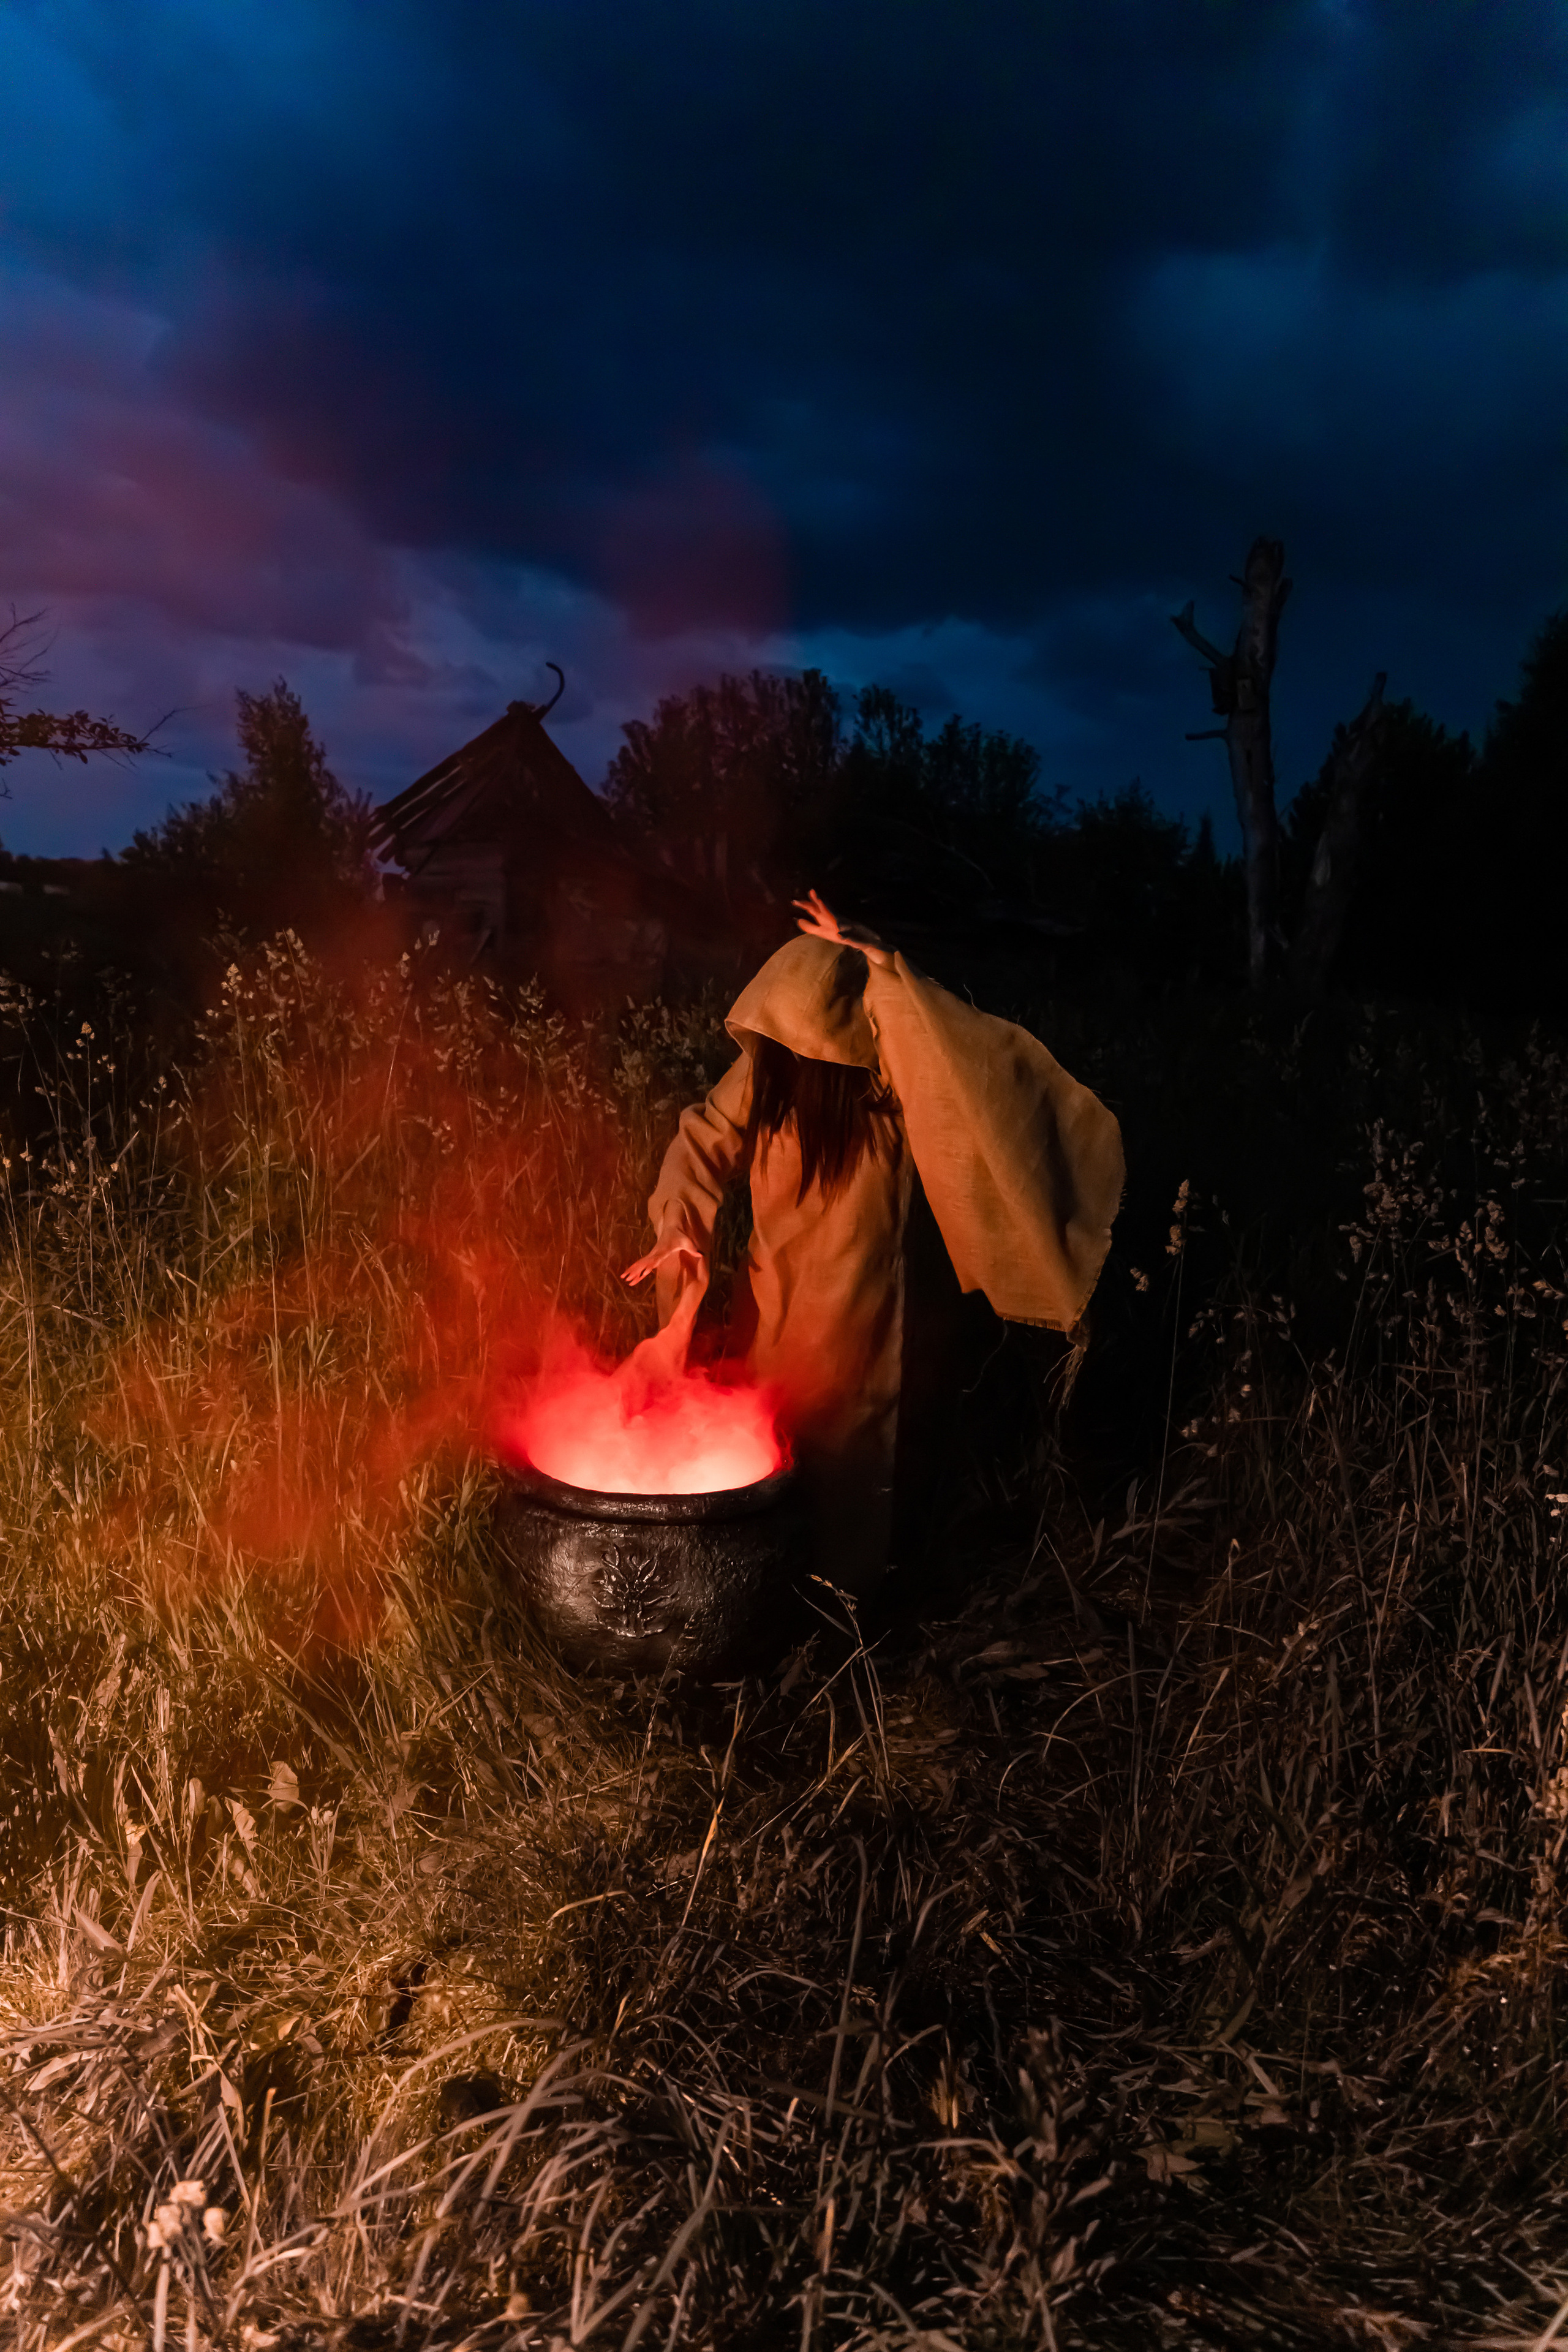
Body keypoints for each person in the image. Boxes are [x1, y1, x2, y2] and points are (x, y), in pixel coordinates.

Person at [623, 891, 1124, 1594]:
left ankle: (851, 1609)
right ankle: (775, 1596)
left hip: (862, 1318)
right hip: (772, 1308)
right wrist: (679, 1227)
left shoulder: (887, 1075)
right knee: (770, 1453)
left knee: (853, 1467)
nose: (790, 1048)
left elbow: (954, 1057)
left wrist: (882, 963)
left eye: (803, 1036)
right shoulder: (764, 1073)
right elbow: (703, 1136)